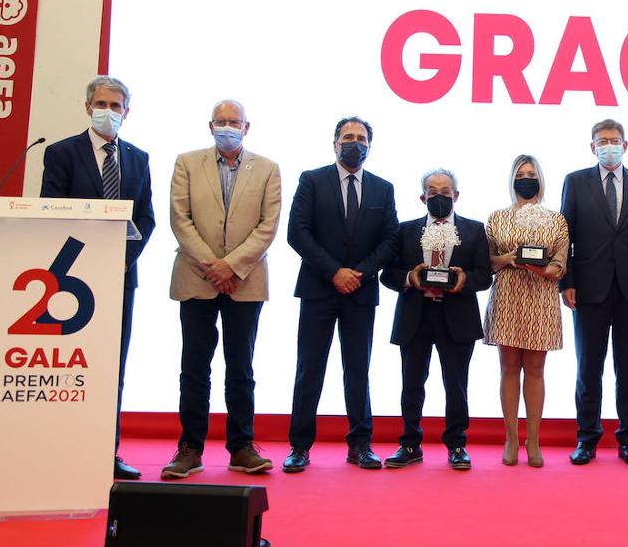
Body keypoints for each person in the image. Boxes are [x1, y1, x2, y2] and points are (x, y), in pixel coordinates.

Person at [40, 75, 155, 480]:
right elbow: (51, 209)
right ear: (88, 107)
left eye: (117, 106)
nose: (109, 112)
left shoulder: (138, 158)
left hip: (120, 277)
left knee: (112, 368)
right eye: (102, 104)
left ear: (127, 112)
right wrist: (87, 262)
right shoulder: (60, 154)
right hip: (72, 282)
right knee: (72, 366)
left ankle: (107, 452)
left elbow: (146, 218)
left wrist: (121, 260)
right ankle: (64, 451)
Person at [161, 100, 281, 479]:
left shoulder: (267, 169)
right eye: (221, 121)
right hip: (196, 277)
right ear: (210, 126)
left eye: (235, 122)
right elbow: (180, 219)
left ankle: (241, 446)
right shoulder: (186, 163)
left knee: (240, 368)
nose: (227, 127)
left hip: (245, 281)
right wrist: (213, 267)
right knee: (194, 366)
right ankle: (190, 448)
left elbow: (268, 225)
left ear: (247, 128)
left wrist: (232, 266)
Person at [283, 117, 398, 473]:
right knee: (310, 368)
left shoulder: (383, 188)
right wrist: (334, 271)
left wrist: (359, 272)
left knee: (358, 369)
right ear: (334, 143)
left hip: (361, 292)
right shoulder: (312, 180)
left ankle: (360, 444)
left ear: (370, 146)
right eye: (347, 137)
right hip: (319, 288)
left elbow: (390, 239)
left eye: (361, 138)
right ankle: (300, 447)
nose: (354, 143)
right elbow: (297, 233)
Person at [561, 118, 628, 466]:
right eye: (601, 140)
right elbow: (565, 240)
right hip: (588, 289)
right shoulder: (575, 183)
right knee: (588, 367)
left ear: (625, 145)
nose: (608, 145)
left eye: (614, 140)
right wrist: (567, 282)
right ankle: (586, 439)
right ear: (592, 147)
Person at [381, 168, 492, 470]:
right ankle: (409, 443)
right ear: (422, 197)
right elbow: (387, 274)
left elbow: (485, 275)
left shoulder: (474, 230)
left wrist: (464, 280)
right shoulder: (405, 230)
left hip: (457, 317)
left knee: (456, 385)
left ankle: (457, 445)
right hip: (415, 316)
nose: (440, 197)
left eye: (446, 192)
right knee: (412, 383)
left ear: (456, 195)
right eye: (433, 192)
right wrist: (409, 278)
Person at [484, 155, 570, 468]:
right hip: (508, 296)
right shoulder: (496, 218)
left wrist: (545, 269)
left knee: (535, 370)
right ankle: (511, 438)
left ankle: (533, 439)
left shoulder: (556, 219)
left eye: (532, 174)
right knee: (509, 368)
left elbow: (560, 264)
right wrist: (510, 258)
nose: (527, 179)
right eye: (521, 174)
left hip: (541, 297)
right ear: (512, 179)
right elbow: (488, 262)